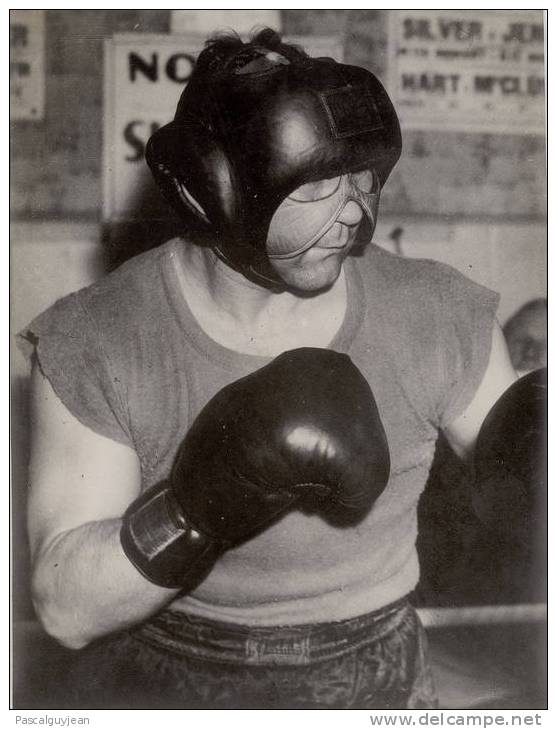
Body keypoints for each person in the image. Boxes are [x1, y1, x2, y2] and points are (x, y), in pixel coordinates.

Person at [20, 29, 522, 710]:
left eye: (365, 177)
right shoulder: (97, 334)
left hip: (377, 664)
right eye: (317, 185)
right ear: (212, 190)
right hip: (167, 667)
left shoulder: (436, 309)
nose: (354, 211)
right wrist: (195, 505)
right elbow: (66, 610)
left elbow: (525, 477)